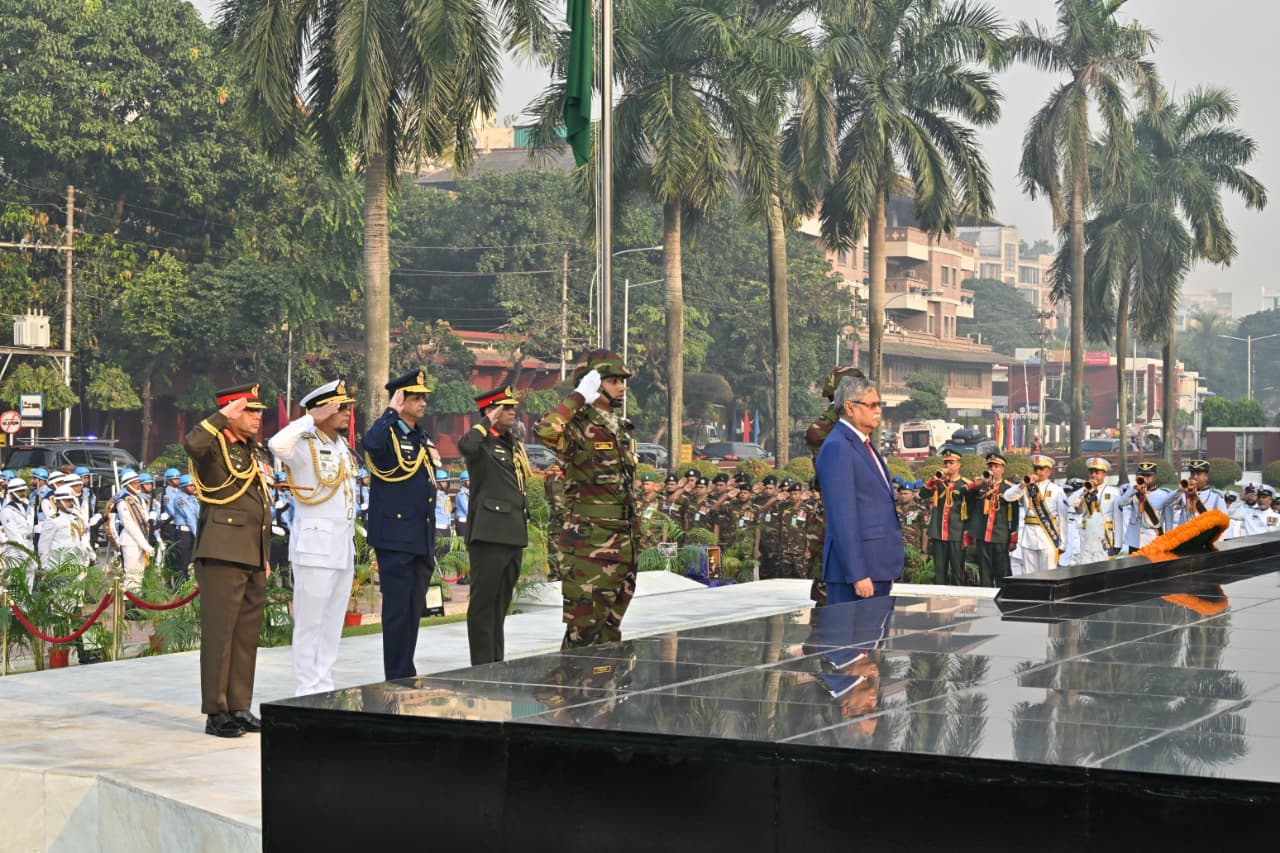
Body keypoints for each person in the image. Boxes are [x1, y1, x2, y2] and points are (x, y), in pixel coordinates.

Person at [534, 349, 639, 649]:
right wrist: (579, 396)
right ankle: (568, 695)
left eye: (622, 380)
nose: (621, 386)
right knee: (584, 636)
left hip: (623, 547)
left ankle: (600, 695)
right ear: (593, 384)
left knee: (609, 636)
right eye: (613, 380)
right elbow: (544, 431)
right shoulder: (578, 427)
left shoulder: (621, 429)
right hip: (589, 552)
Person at [184, 382, 272, 738]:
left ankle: (238, 705)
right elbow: (192, 443)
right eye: (249, 411)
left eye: (259, 412)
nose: (257, 418)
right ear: (231, 412)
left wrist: (263, 555)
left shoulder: (250, 451)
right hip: (221, 550)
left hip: (252, 552)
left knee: (245, 636)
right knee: (220, 636)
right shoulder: (214, 447)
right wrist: (220, 417)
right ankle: (215, 711)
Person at [268, 378, 358, 696]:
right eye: (339, 407)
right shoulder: (304, 445)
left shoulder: (341, 447)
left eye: (346, 406)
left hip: (341, 547)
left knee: (333, 622)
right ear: (321, 410)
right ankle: (306, 686)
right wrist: (310, 419)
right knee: (310, 622)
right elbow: (276, 445)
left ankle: (324, 682)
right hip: (315, 547)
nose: (346, 412)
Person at [362, 368, 440, 680]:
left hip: (419, 537)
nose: (422, 403)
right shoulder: (387, 433)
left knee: (412, 612)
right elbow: (370, 443)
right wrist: (389, 413)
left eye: (423, 397)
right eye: (416, 397)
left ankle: (406, 669)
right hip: (395, 538)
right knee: (396, 612)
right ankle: (396, 674)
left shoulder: (421, 436)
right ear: (401, 399)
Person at [458, 385, 531, 664]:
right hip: (489, 535)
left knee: (500, 607)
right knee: (483, 606)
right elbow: (465, 445)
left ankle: (495, 662)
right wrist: (485, 421)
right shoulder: (482, 444)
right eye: (506, 407)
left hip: (513, 534)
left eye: (513, 407)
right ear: (491, 411)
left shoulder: (508, 443)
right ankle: (481, 665)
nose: (513, 412)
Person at [815, 374, 904, 603]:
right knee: (852, 638)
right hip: (856, 575)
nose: (878, 410)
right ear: (850, 407)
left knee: (874, 637)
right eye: (872, 404)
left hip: (877, 567)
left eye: (879, 404)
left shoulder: (863, 444)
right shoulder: (838, 447)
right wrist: (858, 573)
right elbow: (843, 517)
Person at [1002, 454, 1065, 574]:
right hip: (1029, 537)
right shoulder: (1025, 488)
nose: (1038, 472)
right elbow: (1007, 496)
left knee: (1049, 575)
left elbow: (1063, 519)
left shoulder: (1057, 490)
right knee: (1029, 575)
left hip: (1048, 537)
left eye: (1041, 469)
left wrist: (1063, 543)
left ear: (1049, 472)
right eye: (1036, 468)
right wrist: (1022, 484)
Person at [967, 452, 1020, 587]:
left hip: (1000, 535)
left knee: (1002, 571)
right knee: (984, 572)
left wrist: (1013, 537)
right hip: (982, 535)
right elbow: (969, 505)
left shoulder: (1008, 488)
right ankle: (986, 603)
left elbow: (1014, 514)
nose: (992, 469)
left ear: (1002, 468)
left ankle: (1005, 601)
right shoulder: (980, 486)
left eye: (996, 466)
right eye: (990, 466)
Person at [920, 450, 969, 585]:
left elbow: (970, 511)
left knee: (957, 572)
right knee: (939, 573)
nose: (947, 465)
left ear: (958, 465)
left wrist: (966, 534)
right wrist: (933, 480)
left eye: (951, 463)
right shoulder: (938, 482)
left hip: (956, 533)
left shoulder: (964, 484)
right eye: (946, 462)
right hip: (938, 532)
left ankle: (960, 602)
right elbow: (922, 494)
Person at [1067, 457, 1122, 564]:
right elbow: (1069, 503)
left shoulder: (1113, 492)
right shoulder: (1084, 492)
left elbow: (1118, 519)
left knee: (1104, 566)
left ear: (1104, 474)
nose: (1093, 475)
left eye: (1097, 472)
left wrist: (1118, 543)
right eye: (1091, 472)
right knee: (1086, 566)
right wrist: (1083, 489)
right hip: (1087, 535)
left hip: (1105, 535)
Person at [1116, 461, 1174, 552]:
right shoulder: (1133, 492)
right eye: (1142, 475)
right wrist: (1134, 489)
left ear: (1154, 477)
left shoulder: (1163, 494)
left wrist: (1168, 541)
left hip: (1153, 540)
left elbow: (1169, 522)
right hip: (1135, 541)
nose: (1144, 479)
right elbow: (1121, 502)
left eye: (1148, 476)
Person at [115, 470, 154, 587]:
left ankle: (136, 601)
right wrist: (145, 545)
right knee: (131, 576)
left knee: (139, 576)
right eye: (135, 483)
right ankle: (129, 604)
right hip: (130, 541)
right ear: (127, 485)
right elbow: (131, 526)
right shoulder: (123, 501)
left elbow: (143, 520)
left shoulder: (137, 499)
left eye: (138, 482)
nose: (138, 485)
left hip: (141, 541)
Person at [1168, 459, 1226, 526]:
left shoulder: (1216, 496)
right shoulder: (1183, 493)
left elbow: (1223, 521)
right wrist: (1180, 490)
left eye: (1198, 474)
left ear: (1206, 476)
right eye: (1192, 474)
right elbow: (1168, 503)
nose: (1195, 477)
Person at [169, 474, 200, 584]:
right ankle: (180, 590)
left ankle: (189, 588)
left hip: (192, 532)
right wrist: (197, 534)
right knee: (183, 563)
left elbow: (198, 515)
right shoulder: (180, 499)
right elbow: (189, 517)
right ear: (183, 487)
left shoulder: (193, 498)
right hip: (183, 533)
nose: (193, 487)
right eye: (190, 485)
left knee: (191, 561)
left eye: (193, 485)